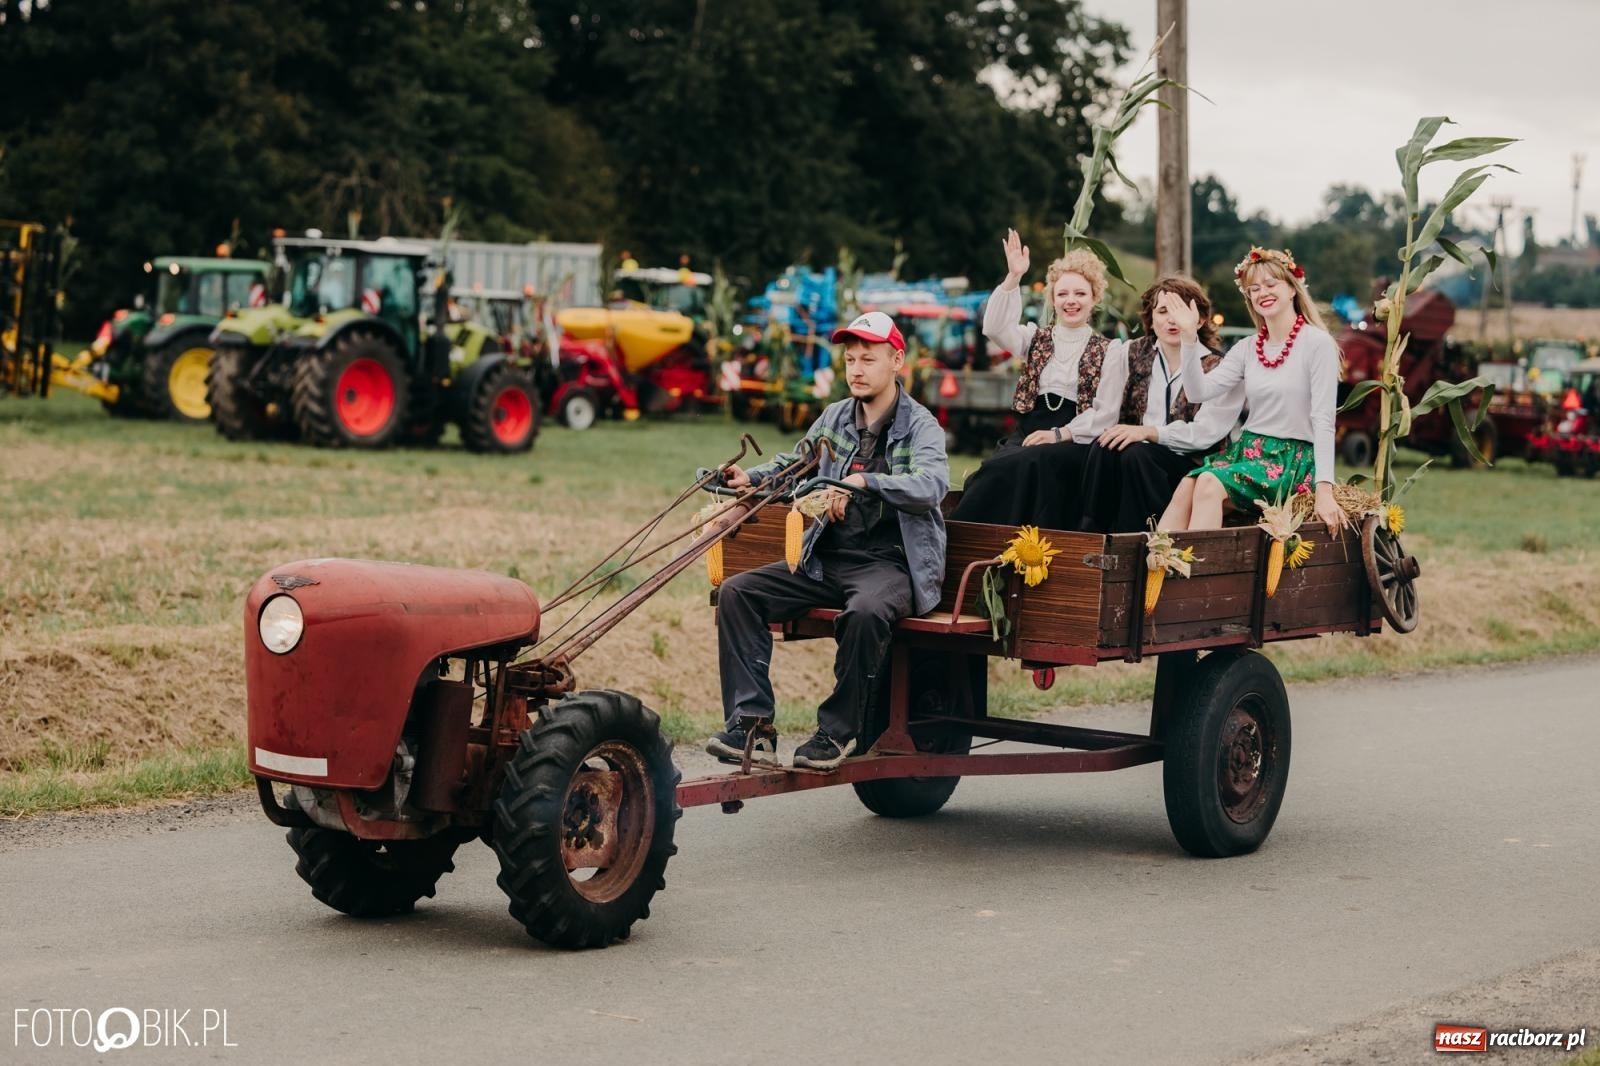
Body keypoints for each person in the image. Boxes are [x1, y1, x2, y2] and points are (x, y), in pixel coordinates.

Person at [707, 311, 950, 771]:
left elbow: (931, 485)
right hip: (829, 558)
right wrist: (750, 478)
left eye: (869, 359)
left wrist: (865, 484)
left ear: (897, 361)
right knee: (739, 592)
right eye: (850, 359)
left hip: (891, 565)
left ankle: (839, 732)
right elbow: (796, 463)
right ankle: (752, 726)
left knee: (863, 613)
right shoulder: (835, 416)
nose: (857, 369)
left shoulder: (921, 426)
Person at [1157, 247, 1346, 533]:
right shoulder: (1247, 348)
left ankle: (1197, 575)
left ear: (1292, 289)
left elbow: (1324, 420)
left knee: (1208, 483)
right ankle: (1160, 568)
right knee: (1187, 485)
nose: (1262, 293)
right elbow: (1198, 393)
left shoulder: (1316, 344)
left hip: (1290, 459)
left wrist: (1325, 490)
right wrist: (1188, 337)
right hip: (1248, 452)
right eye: (1253, 289)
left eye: (1271, 284)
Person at [950, 231, 1118, 527]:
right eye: (1063, 293)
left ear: (1094, 298)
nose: (1071, 301)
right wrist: (1014, 277)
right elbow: (995, 327)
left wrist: (1058, 434)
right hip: (1028, 431)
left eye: (1080, 293)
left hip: (1074, 440)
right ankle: (965, 541)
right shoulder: (1035, 338)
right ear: (1052, 298)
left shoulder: (1109, 350)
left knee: (1029, 462)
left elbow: (1105, 414)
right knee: (992, 469)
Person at [1077, 276, 1246, 533]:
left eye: (1181, 312)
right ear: (1151, 319)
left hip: (1192, 466)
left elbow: (1204, 435)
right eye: (1162, 311)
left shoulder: (1220, 368)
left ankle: (1136, 540)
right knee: (1105, 444)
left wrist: (1149, 433)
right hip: (1140, 457)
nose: (1171, 320)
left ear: (1199, 320)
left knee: (1138, 454)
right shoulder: (1131, 353)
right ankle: (1090, 533)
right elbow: (1105, 408)